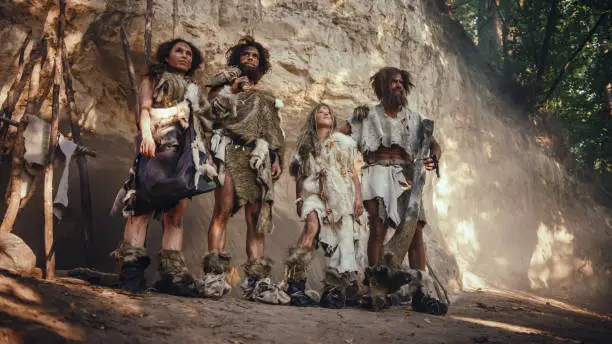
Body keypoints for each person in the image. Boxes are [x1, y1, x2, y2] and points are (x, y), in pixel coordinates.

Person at [110, 39, 216, 296]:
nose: (185, 56)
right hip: (158, 144)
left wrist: (206, 157)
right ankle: (131, 273)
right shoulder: (154, 79)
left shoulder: (193, 88)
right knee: (142, 207)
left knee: (175, 214)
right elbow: (145, 109)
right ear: (166, 56)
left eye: (190, 53)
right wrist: (146, 135)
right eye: (179, 51)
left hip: (185, 151)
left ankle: (171, 276)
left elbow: (202, 122)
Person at [338, 66, 448, 315]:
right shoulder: (366, 114)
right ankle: (376, 288)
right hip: (376, 173)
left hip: (407, 175)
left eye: (401, 82)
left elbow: (434, 144)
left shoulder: (414, 117)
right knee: (378, 227)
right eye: (393, 82)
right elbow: (339, 135)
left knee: (414, 232)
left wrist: (434, 158)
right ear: (382, 86)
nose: (398, 86)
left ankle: (421, 293)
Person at [201, 36, 288, 303]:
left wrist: (275, 159)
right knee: (222, 211)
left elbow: (274, 132)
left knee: (256, 220)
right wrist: (233, 91)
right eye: (246, 55)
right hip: (229, 150)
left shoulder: (267, 97)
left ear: (260, 65)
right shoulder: (223, 87)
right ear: (237, 59)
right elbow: (210, 114)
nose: (251, 59)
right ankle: (214, 275)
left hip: (257, 158)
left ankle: (257, 280)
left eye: (255, 57)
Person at [283, 103, 368, 309]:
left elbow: (353, 173)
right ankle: (295, 282)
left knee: (339, 239)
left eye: (329, 112)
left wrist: (358, 199)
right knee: (311, 225)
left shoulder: (343, 142)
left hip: (339, 197)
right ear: (314, 118)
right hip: (313, 194)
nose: (325, 114)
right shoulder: (305, 144)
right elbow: (299, 175)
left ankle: (333, 289)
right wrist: (298, 199)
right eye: (321, 112)